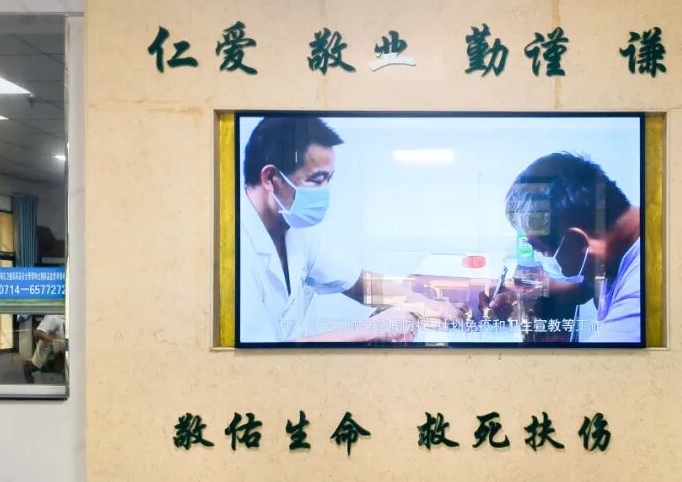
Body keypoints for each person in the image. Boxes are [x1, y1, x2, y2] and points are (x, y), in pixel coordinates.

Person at [240, 116, 461, 343]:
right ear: (271, 178)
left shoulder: (296, 229)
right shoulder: (235, 252)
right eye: (317, 180)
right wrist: (371, 328)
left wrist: (427, 306)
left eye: (329, 179)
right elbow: (254, 356)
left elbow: (358, 283)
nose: (325, 191)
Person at [503, 152, 641, 343]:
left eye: (542, 249)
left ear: (578, 242)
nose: (542, 257)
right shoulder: (613, 247)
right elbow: (583, 287)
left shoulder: (637, 301)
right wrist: (520, 289)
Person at [22, 314, 65, 383]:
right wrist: (55, 343)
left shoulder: (70, 319)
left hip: (58, 362)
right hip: (44, 362)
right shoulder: (54, 317)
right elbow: (38, 333)